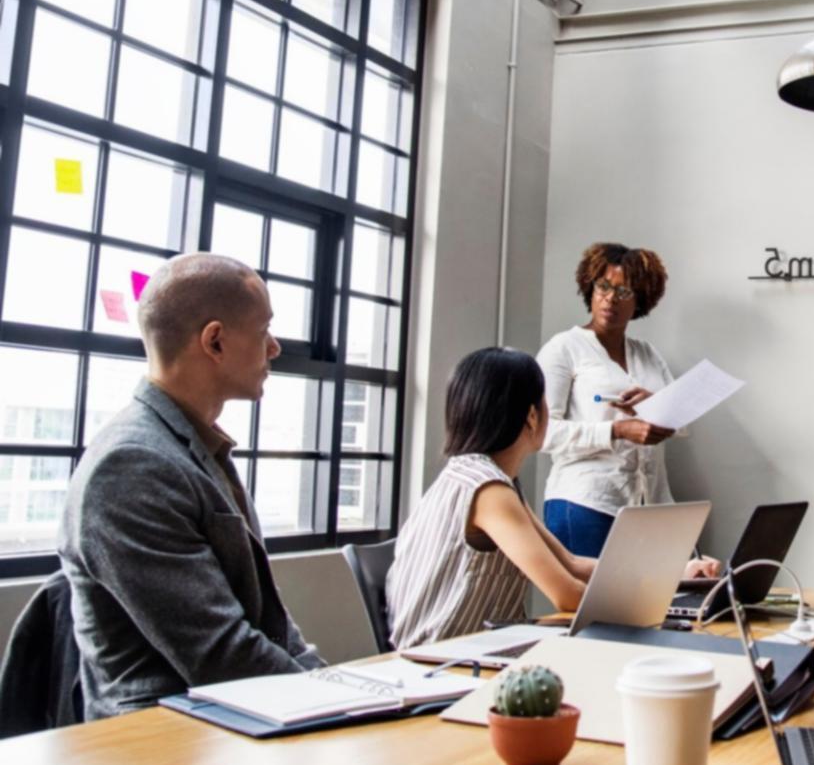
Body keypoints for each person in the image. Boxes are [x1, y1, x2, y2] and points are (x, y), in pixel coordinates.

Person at [57, 254, 323, 719]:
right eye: (264, 332)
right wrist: (336, 702)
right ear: (215, 341)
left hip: (230, 724)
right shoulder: (131, 466)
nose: (275, 348)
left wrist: (332, 683)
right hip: (163, 748)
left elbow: (271, 627)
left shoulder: (193, 447)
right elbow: (221, 655)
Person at [386, 347, 717, 649]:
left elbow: (571, 564)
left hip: (464, 650)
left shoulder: (488, 479)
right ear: (532, 416)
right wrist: (661, 607)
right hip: (440, 661)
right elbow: (567, 595)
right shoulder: (488, 490)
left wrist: (677, 572)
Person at [537, 243, 680, 557]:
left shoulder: (647, 354)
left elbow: (680, 422)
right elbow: (543, 433)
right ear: (590, 287)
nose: (610, 298)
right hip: (585, 503)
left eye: (624, 292)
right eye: (603, 287)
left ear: (640, 300)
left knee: (651, 605)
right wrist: (617, 430)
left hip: (648, 506)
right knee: (592, 607)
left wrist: (653, 404)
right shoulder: (563, 348)